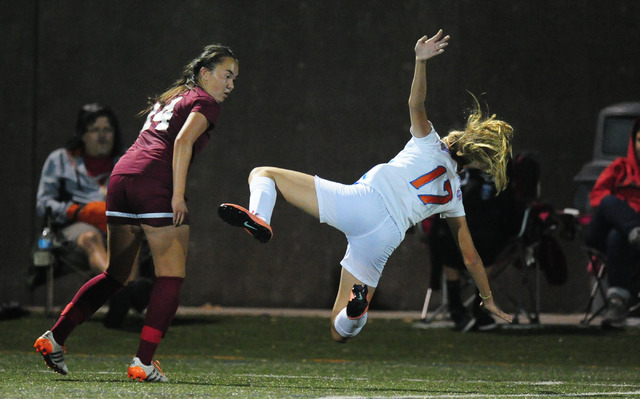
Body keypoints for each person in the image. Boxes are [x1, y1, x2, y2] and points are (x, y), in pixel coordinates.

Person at [218, 30, 514, 344]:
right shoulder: (455, 195)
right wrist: (487, 298)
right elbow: (470, 258)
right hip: (386, 235)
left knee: (264, 173)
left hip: (363, 201)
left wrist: (420, 61)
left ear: (454, 142)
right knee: (338, 331)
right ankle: (356, 311)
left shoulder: (430, 143)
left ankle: (259, 217)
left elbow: (416, 101)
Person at [34, 44, 239, 382]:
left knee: (116, 274)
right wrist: (176, 194)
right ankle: (143, 363)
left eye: (234, 78)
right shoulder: (205, 101)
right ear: (205, 73)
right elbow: (182, 143)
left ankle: (55, 337)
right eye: (226, 75)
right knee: (170, 277)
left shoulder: (172, 96)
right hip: (153, 182)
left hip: (122, 177)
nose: (231, 84)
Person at [421, 166, 520, 332]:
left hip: (484, 235)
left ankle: (479, 308)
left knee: (485, 244)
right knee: (445, 240)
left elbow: (509, 212)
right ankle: (456, 309)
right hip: (453, 233)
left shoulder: (497, 177)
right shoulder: (452, 174)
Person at [36, 103, 123, 276]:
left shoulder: (126, 161)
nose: (102, 136)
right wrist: (76, 212)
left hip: (116, 225)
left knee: (130, 237)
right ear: (82, 135)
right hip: (77, 227)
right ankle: (118, 284)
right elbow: (43, 203)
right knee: (90, 237)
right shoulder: (60, 160)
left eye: (107, 129)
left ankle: (124, 291)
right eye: (95, 130)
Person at [586, 116, 640, 329]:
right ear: (633, 142)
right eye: (639, 140)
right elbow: (597, 196)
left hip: (621, 241)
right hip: (601, 231)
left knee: (618, 236)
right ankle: (635, 230)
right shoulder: (619, 167)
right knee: (609, 200)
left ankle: (617, 304)